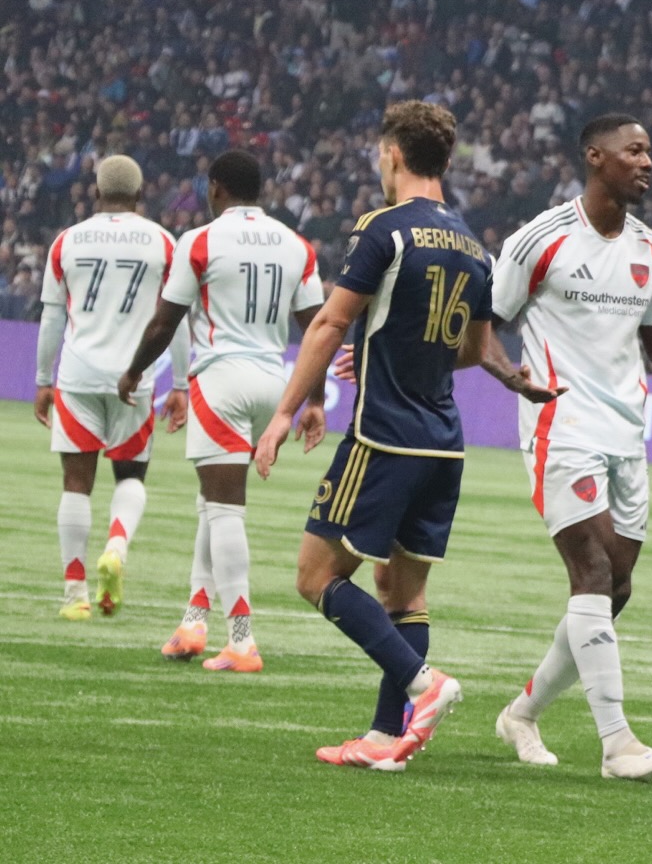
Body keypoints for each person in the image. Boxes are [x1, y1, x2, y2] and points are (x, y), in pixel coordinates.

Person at [483, 113, 652, 781]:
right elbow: (485, 326)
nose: (646, 162)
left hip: (625, 433)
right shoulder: (538, 240)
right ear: (594, 156)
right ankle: (618, 744)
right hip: (560, 423)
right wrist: (507, 374)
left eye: (649, 152)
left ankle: (522, 712)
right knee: (594, 575)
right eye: (633, 151)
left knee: (617, 587)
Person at [253, 100, 493, 772]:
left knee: (315, 575)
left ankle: (425, 685)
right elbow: (473, 349)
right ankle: (387, 741)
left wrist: (281, 414)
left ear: (393, 155)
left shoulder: (382, 229)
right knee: (404, 593)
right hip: (445, 442)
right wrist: (391, 346)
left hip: (383, 439)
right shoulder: (476, 246)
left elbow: (328, 324)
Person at [118, 149, 325, 672]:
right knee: (212, 503)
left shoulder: (201, 241)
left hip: (220, 381)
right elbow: (318, 328)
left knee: (226, 507)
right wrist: (315, 400)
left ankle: (241, 639)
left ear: (215, 189)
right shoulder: (296, 245)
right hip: (273, 384)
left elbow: (165, 324)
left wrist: (136, 370)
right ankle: (193, 622)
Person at [34, 155, 189, 621]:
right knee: (130, 476)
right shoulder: (164, 242)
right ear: (140, 195)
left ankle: (74, 592)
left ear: (96, 193)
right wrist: (180, 382)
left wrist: (43, 379)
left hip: (78, 375)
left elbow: (52, 317)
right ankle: (116, 548)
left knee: (76, 485)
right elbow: (173, 319)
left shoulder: (67, 241)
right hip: (134, 378)